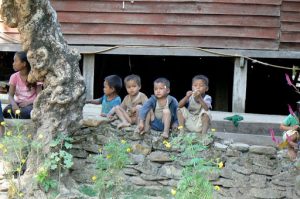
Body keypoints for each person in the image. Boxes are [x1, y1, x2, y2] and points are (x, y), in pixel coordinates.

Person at [3, 51, 42, 119]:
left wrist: (28, 102)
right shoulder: (14, 77)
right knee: (5, 111)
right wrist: (14, 105)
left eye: (15, 61)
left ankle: (19, 115)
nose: (13, 64)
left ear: (24, 64)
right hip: (18, 104)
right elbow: (10, 95)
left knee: (26, 112)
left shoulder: (35, 77)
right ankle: (18, 115)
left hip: (31, 104)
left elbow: (40, 96)